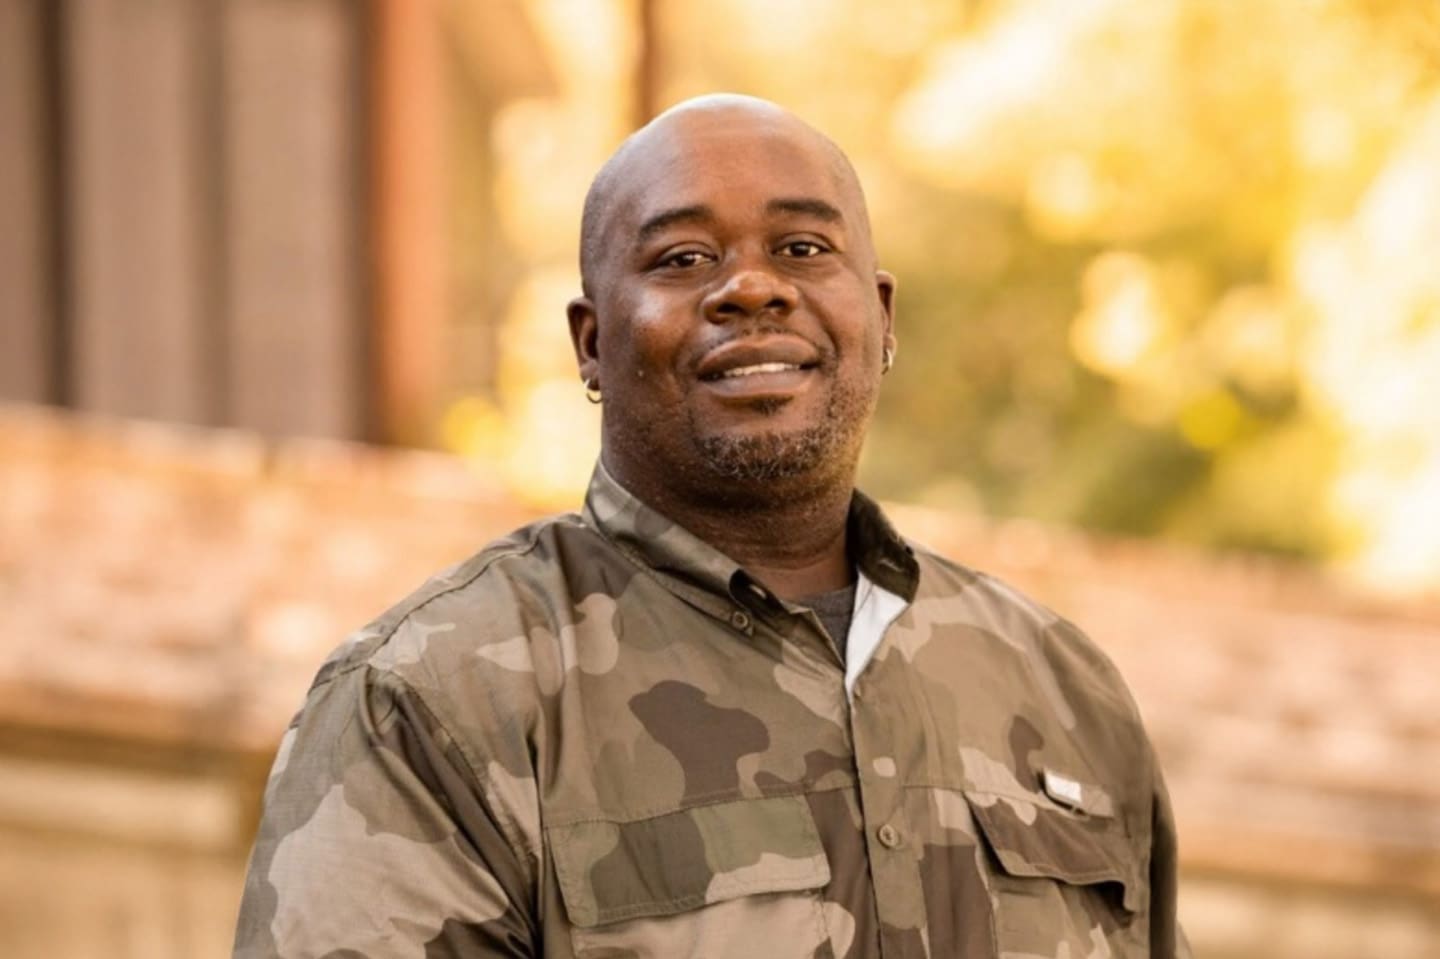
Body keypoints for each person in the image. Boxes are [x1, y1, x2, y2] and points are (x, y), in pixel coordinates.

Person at [233, 94, 1189, 959]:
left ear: (881, 315)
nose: (753, 289)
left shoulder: (1062, 688)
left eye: (803, 249)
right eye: (684, 259)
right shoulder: (430, 699)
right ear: (592, 342)